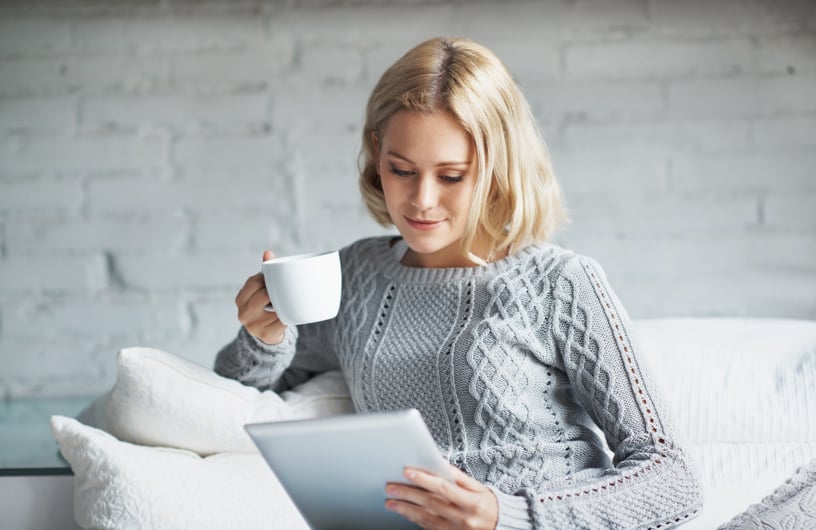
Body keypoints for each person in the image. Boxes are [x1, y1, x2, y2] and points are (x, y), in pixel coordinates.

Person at [215, 37, 702, 529]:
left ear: (497, 171)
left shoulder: (560, 284)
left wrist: (507, 516)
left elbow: (673, 477)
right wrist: (264, 336)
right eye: (401, 170)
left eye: (451, 176)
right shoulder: (356, 276)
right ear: (375, 155)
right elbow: (238, 393)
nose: (421, 200)